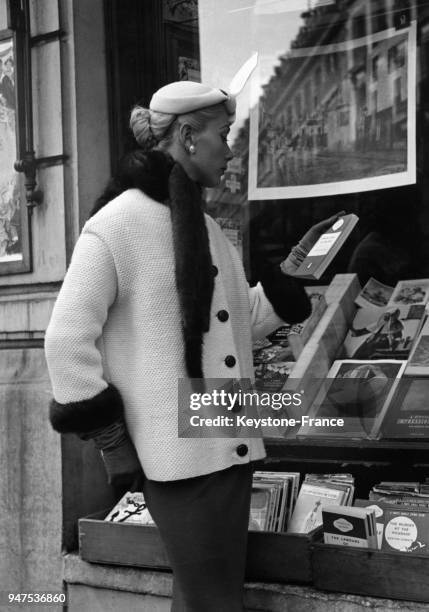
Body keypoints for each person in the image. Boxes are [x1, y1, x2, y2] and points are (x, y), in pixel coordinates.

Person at [45, 80, 343, 611]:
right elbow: (66, 340)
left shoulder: (207, 228)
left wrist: (297, 265)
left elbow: (235, 323)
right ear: (186, 136)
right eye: (223, 135)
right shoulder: (114, 225)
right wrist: (113, 441)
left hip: (226, 443)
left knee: (208, 598)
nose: (230, 151)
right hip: (179, 458)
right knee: (214, 602)